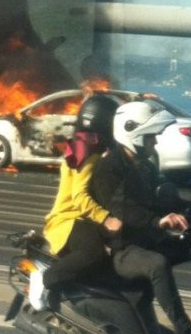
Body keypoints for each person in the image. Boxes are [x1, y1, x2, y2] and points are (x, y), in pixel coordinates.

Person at [89, 98, 191, 334]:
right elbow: (122, 209)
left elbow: (160, 199)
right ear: (134, 135)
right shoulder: (110, 167)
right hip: (120, 248)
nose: (155, 141)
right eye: (151, 137)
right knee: (157, 264)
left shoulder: (144, 167)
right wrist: (158, 222)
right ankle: (185, 330)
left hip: (144, 239)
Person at [28, 92, 122, 311]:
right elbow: (80, 196)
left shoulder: (84, 146)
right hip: (69, 221)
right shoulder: (90, 153)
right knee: (95, 253)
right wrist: (106, 219)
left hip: (80, 220)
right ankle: (44, 277)